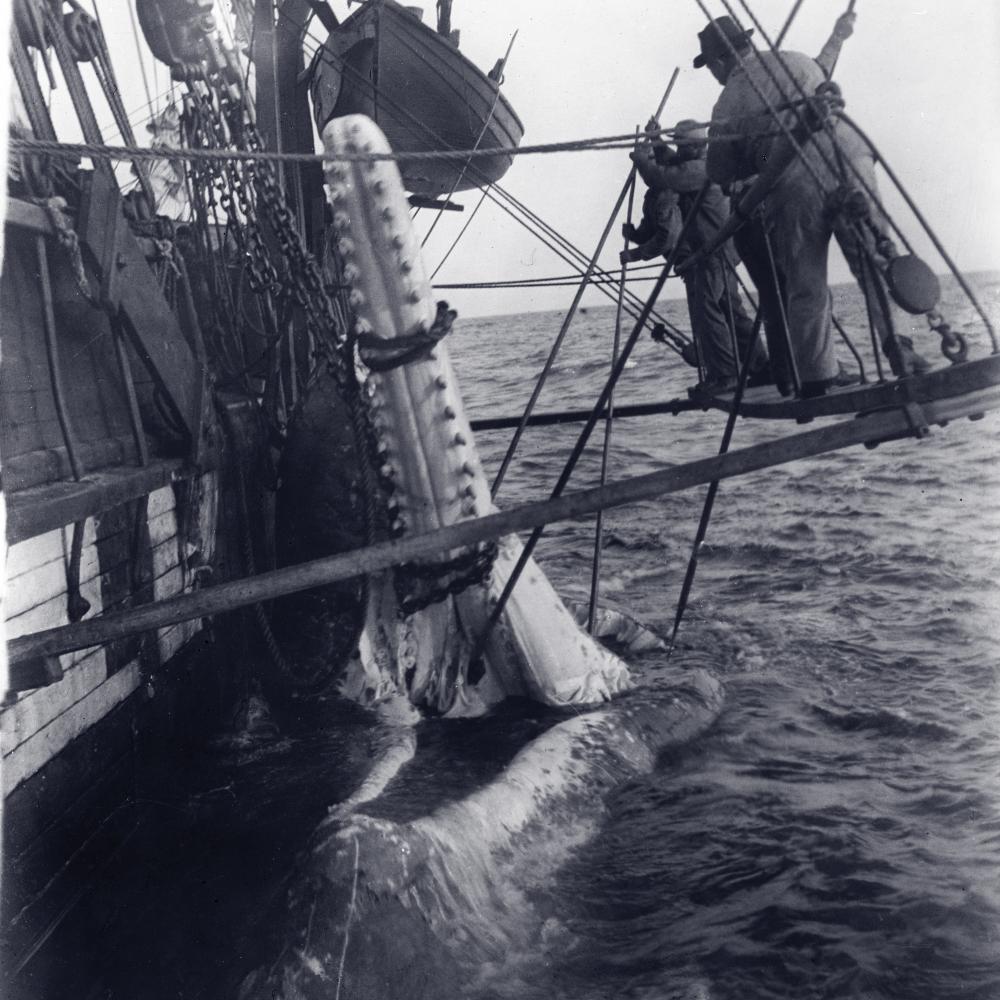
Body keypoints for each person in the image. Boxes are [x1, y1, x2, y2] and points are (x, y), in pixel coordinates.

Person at [695, 13, 930, 397]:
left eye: (712, 68)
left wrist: (757, 160)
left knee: (805, 280)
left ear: (721, 61)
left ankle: (818, 378)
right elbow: (825, 71)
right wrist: (838, 34)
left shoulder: (728, 101)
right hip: (848, 152)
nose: (715, 75)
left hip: (789, 173)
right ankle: (901, 349)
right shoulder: (801, 61)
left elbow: (720, 172)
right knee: (876, 259)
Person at [636, 117, 766, 391]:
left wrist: (641, 160)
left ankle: (726, 375)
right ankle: (760, 367)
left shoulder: (701, 170)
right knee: (731, 310)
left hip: (711, 253)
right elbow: (673, 162)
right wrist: (657, 142)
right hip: (723, 251)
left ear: (693, 147)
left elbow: (662, 175)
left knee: (708, 310)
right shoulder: (702, 163)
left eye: (682, 146)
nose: (678, 151)